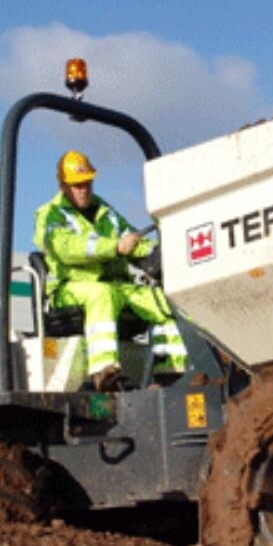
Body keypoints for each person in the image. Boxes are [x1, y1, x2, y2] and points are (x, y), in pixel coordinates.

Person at [33, 150, 187, 391]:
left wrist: (154, 253)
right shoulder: (51, 214)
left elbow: (130, 239)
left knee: (157, 299)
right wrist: (114, 246)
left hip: (115, 285)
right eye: (77, 185)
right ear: (63, 185)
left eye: (87, 182)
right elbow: (67, 248)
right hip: (71, 288)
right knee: (100, 295)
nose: (83, 189)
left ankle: (168, 372)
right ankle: (103, 371)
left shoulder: (105, 211)